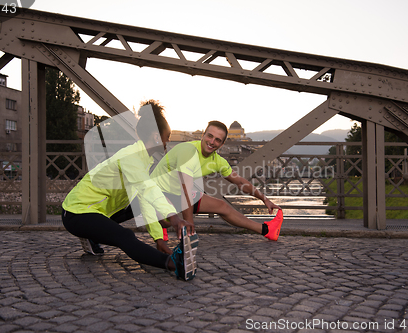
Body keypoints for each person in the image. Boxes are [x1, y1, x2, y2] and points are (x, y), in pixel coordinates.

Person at [61, 100, 197, 280]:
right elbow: (148, 189)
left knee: (138, 204)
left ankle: (92, 236)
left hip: (98, 210)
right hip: (76, 213)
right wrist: (174, 218)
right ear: (157, 136)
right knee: (124, 236)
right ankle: (172, 263)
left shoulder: (143, 159)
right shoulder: (131, 157)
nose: (168, 141)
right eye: (168, 136)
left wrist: (159, 239)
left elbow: (144, 200)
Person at [150, 120, 284, 254]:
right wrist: (190, 234)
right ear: (203, 134)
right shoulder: (188, 151)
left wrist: (264, 198)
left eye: (217, 140)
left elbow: (240, 182)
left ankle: (267, 230)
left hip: (178, 194)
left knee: (222, 206)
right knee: (167, 219)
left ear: (222, 143)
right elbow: (186, 191)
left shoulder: (217, 161)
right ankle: (163, 228)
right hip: (156, 192)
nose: (212, 142)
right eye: (210, 136)